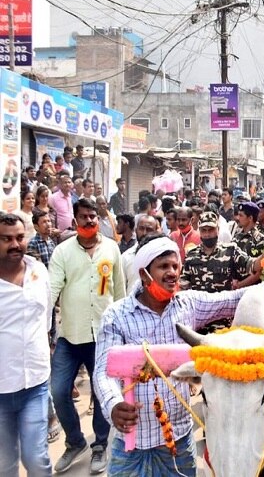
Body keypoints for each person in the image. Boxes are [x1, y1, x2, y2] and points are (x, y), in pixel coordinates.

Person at [94, 234, 264, 476]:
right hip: (132, 442)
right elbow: (103, 370)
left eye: (175, 266)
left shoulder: (188, 304)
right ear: (143, 274)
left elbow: (232, 298)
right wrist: (113, 404)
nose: (172, 273)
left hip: (179, 441)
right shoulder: (116, 315)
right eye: (163, 267)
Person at [48, 198, 126, 474]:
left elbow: (119, 292)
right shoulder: (62, 252)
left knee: (101, 392)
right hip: (71, 336)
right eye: (85, 217)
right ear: (75, 221)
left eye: (94, 216)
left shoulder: (112, 248)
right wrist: (45, 324)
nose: (90, 221)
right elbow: (51, 290)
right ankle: (75, 442)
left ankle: (99, 446)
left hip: (103, 335)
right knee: (58, 390)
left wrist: (124, 329)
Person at [0, 213, 53, 476]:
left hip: (35, 383)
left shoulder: (38, 271)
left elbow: (45, 319)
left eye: (19, 238)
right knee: (5, 464)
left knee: (36, 459)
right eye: (6, 239)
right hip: (0, 389)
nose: (15, 244)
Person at [180, 211, 257, 294]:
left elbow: (253, 265)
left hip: (224, 304)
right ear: (199, 231)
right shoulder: (191, 255)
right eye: (203, 230)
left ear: (218, 229)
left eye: (211, 230)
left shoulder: (230, 251)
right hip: (199, 305)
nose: (207, 234)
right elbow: (183, 287)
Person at [232, 201, 264, 288]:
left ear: (250, 218)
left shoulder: (260, 240)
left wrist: (240, 285)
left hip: (250, 289)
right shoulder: (237, 236)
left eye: (241, 215)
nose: (238, 218)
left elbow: (259, 271)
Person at [121, 214, 159, 292]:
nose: (144, 233)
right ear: (136, 230)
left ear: (156, 231)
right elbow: (121, 288)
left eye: (149, 229)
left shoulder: (162, 257)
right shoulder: (126, 257)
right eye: (141, 229)